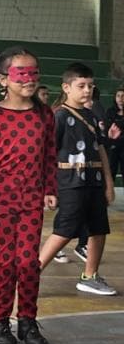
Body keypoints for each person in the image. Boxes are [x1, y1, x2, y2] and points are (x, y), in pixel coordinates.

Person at [0, 47, 57, 344]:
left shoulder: (44, 115)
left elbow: (49, 155)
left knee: (29, 262)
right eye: (22, 74)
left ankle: (28, 322)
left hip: (32, 197)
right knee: (6, 261)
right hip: (1, 197)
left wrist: (50, 189)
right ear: (4, 79)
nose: (30, 79)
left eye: (34, 73)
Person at [39, 63, 117, 297]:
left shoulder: (91, 116)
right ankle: (30, 275)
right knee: (65, 229)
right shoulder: (59, 116)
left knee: (98, 229)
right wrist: (47, 188)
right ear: (66, 87)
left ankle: (90, 276)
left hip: (94, 182)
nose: (87, 90)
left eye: (90, 86)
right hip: (71, 183)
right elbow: (46, 154)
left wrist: (108, 183)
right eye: (81, 86)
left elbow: (101, 150)